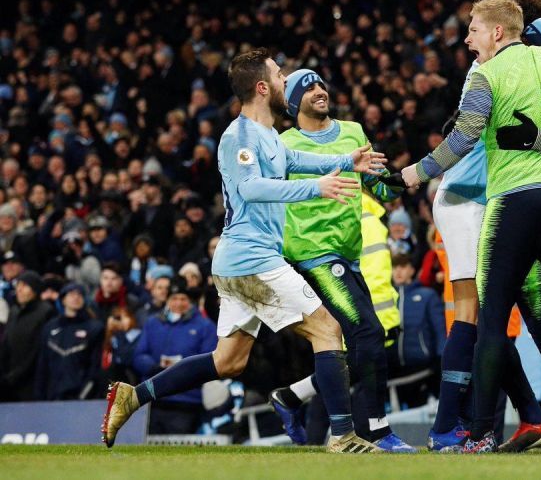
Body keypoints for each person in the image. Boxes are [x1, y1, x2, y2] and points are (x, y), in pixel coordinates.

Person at [101, 48, 387, 453]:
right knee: (328, 328)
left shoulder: (268, 135)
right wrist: (317, 187)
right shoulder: (238, 137)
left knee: (228, 361)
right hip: (252, 260)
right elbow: (250, 188)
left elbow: (296, 158)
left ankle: (134, 396)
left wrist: (347, 160)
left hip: (243, 261)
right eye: (280, 74)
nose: (287, 80)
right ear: (262, 87)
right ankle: (343, 436)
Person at [402, 0, 541, 453]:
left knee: (490, 320)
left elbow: (464, 135)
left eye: (473, 29)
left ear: (497, 32)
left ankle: (481, 434)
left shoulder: (485, 74)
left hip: (512, 203)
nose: (468, 38)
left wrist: (414, 173)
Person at [268, 68, 414, 452]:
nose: (319, 90)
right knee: (367, 335)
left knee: (356, 345)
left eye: (321, 84)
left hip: (348, 258)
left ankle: (292, 398)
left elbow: (378, 187)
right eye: (308, 87)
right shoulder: (283, 145)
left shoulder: (353, 132)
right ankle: (375, 432)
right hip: (313, 256)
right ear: (293, 102)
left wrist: (405, 178)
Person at [133, 277, 216, 434]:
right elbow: (138, 356)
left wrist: (181, 370)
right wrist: (155, 367)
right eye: (174, 298)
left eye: (183, 298)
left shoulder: (205, 326)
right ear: (168, 300)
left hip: (186, 401)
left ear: (190, 301)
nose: (178, 303)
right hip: (153, 399)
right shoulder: (152, 323)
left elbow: (208, 363)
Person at [35, 283, 104, 400]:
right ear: (63, 299)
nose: (76, 297)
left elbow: (95, 367)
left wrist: (84, 395)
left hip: (81, 398)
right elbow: (42, 365)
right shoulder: (50, 327)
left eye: (79, 295)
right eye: (71, 294)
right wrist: (39, 396)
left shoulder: (95, 328)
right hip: (52, 397)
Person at [0, 271, 55, 401]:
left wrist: (15, 375)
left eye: (25, 285)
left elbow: (38, 349)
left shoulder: (45, 311)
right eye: (18, 285)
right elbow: (6, 343)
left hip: (32, 382)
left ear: (35, 290)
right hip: (9, 382)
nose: (19, 289)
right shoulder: (14, 311)